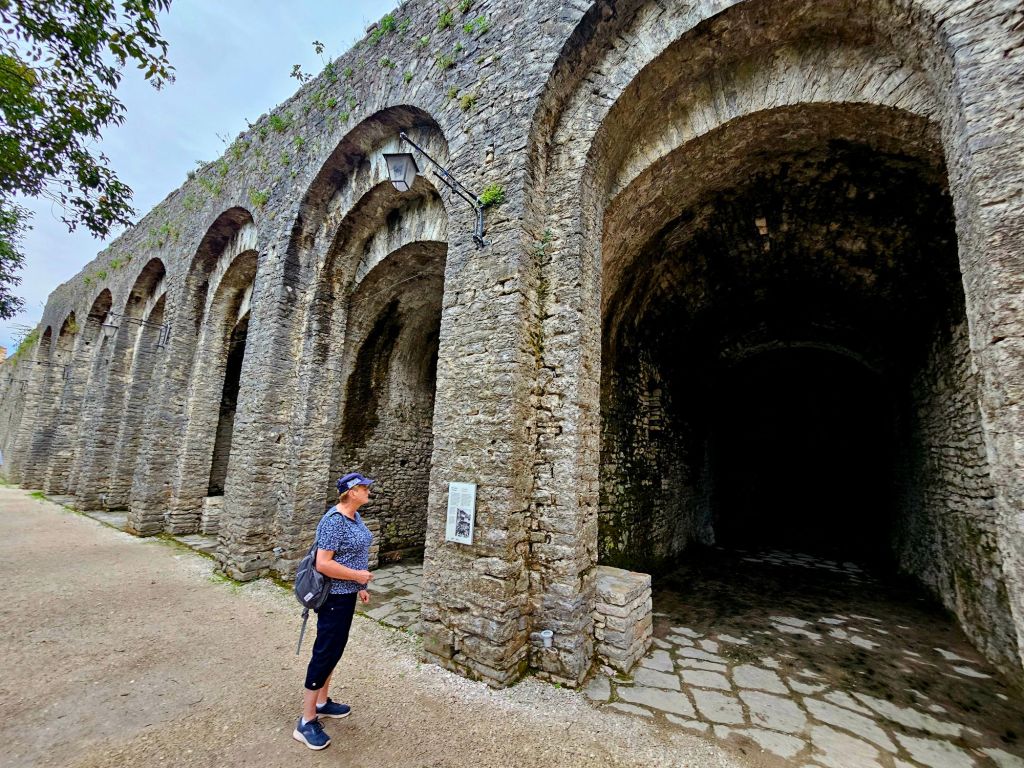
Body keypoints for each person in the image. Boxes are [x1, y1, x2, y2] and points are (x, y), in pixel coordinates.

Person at [293, 472, 376, 750]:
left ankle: (322, 702)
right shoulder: (334, 521)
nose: (368, 491)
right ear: (352, 492)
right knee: (325, 651)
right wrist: (356, 576)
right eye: (364, 488)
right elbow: (323, 564)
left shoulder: (354, 516)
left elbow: (355, 553)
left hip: (347, 594)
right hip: (333, 597)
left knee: (335, 649)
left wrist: (360, 585)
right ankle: (306, 721)